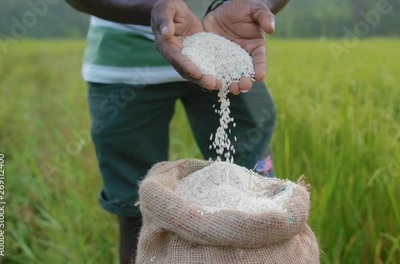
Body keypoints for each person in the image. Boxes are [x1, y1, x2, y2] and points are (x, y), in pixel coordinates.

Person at [65, 0, 290, 263]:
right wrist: (154, 10)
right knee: (137, 209)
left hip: (228, 41)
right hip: (126, 61)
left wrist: (252, 3)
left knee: (255, 193)